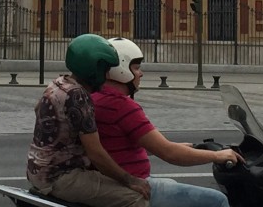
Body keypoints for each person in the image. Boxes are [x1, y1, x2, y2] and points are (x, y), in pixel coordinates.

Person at [92, 37, 242, 207]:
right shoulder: (121, 106)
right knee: (218, 200)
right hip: (135, 185)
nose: (141, 73)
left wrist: (181, 147)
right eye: (136, 67)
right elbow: (170, 153)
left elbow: (121, 145)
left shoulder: (96, 98)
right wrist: (217, 156)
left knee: (172, 184)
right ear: (121, 70)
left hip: (113, 182)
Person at [26, 33, 150, 207]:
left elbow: (37, 108)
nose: (107, 74)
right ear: (94, 69)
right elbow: (95, 152)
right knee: (135, 198)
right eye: (105, 69)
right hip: (61, 176)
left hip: (37, 170)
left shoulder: (58, 83)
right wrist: (130, 180)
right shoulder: (79, 97)